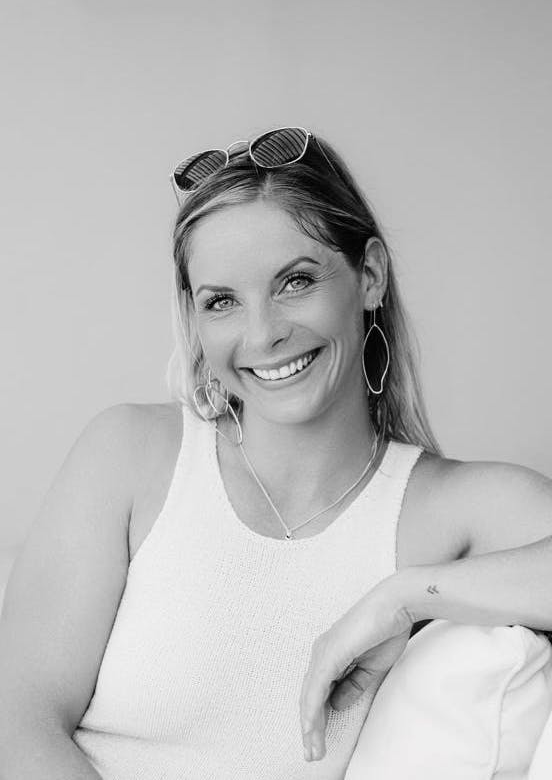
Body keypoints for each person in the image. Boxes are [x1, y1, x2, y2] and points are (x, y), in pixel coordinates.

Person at [0, 127, 551, 780]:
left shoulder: (452, 508)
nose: (263, 333)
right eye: (222, 301)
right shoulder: (129, 455)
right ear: (194, 317)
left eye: (295, 281)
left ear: (369, 275)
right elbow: (18, 721)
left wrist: (402, 596)